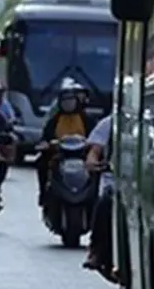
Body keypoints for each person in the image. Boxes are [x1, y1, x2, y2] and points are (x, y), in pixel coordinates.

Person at [36, 81, 92, 205]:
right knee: (41, 163)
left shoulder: (86, 119)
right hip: (59, 155)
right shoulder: (54, 120)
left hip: (81, 156)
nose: (68, 104)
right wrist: (45, 144)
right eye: (65, 101)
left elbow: (95, 137)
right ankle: (44, 194)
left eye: (71, 101)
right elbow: (45, 137)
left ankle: (93, 195)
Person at [84, 115, 115, 277]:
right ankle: (96, 250)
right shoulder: (109, 123)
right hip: (112, 179)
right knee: (105, 202)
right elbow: (94, 151)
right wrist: (92, 161)